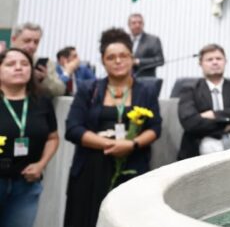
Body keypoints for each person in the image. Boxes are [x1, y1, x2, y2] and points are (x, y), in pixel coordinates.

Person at [64, 28, 161, 227]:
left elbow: (155, 127)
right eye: (111, 57)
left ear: (132, 58)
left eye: (123, 56)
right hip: (90, 169)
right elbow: (73, 128)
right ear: (103, 60)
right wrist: (108, 144)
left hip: (132, 166)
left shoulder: (146, 91)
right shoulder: (88, 89)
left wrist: (131, 144)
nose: (118, 61)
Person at [0, 48, 58, 227]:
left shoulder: (41, 101)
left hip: (26, 183)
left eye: (24, 64)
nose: (19, 68)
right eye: (10, 64)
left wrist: (41, 165)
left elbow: (53, 138)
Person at [177, 44, 230, 159]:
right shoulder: (189, 89)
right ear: (200, 63)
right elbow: (190, 122)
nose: (215, 62)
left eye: (218, 58)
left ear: (225, 61)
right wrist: (227, 124)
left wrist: (213, 115)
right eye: (209, 59)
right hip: (197, 153)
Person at [10, 23, 65, 98]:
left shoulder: (46, 64)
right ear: (14, 39)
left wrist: (46, 79)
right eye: (27, 41)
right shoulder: (3, 60)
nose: (32, 46)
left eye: (36, 42)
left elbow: (60, 90)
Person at [128, 13, 164, 78]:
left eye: (140, 23)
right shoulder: (123, 40)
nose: (137, 25)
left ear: (143, 24)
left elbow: (160, 60)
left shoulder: (153, 40)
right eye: (134, 23)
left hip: (145, 81)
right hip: (125, 82)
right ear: (129, 25)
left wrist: (138, 61)